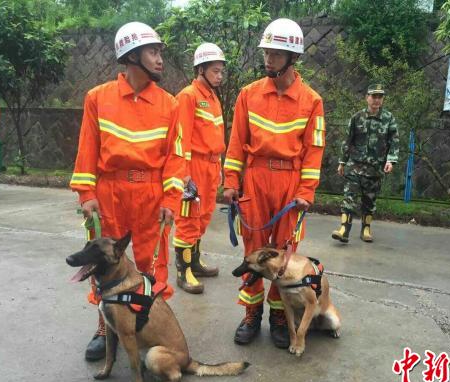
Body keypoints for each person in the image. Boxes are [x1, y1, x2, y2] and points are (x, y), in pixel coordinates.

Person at [69, 22, 185, 360]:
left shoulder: (170, 104)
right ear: (132, 56)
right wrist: (86, 193)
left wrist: (170, 198)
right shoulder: (98, 98)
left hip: (150, 193)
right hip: (110, 193)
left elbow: (177, 157)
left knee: (151, 264)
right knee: (104, 262)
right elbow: (86, 149)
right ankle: (106, 326)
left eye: (160, 51)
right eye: (153, 51)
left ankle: (145, 323)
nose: (160, 58)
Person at [223, 18, 325, 348]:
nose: (268, 59)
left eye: (276, 54)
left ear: (292, 57)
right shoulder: (248, 95)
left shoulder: (311, 101)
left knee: (282, 256)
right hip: (254, 179)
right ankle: (251, 313)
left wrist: (306, 191)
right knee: (253, 252)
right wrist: (230, 181)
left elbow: (314, 150)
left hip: (289, 185)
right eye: (266, 53)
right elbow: (237, 142)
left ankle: (279, 315)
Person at [173, 43, 226, 294]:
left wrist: (220, 166)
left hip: (211, 166)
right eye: (215, 71)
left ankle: (194, 262)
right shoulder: (188, 96)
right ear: (201, 69)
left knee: (203, 217)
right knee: (188, 219)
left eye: (221, 71)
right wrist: (183, 175)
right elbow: (179, 137)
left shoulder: (212, 97)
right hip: (193, 166)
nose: (219, 76)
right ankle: (183, 272)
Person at [332, 84, 399, 243]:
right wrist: (342, 161)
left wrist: (391, 160)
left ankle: (366, 229)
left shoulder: (389, 119)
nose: (376, 100)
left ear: (382, 99)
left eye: (379, 97)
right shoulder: (357, 117)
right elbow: (348, 140)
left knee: (369, 201)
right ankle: (344, 230)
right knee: (349, 197)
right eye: (373, 96)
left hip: (375, 169)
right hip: (355, 166)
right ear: (367, 98)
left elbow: (394, 141)